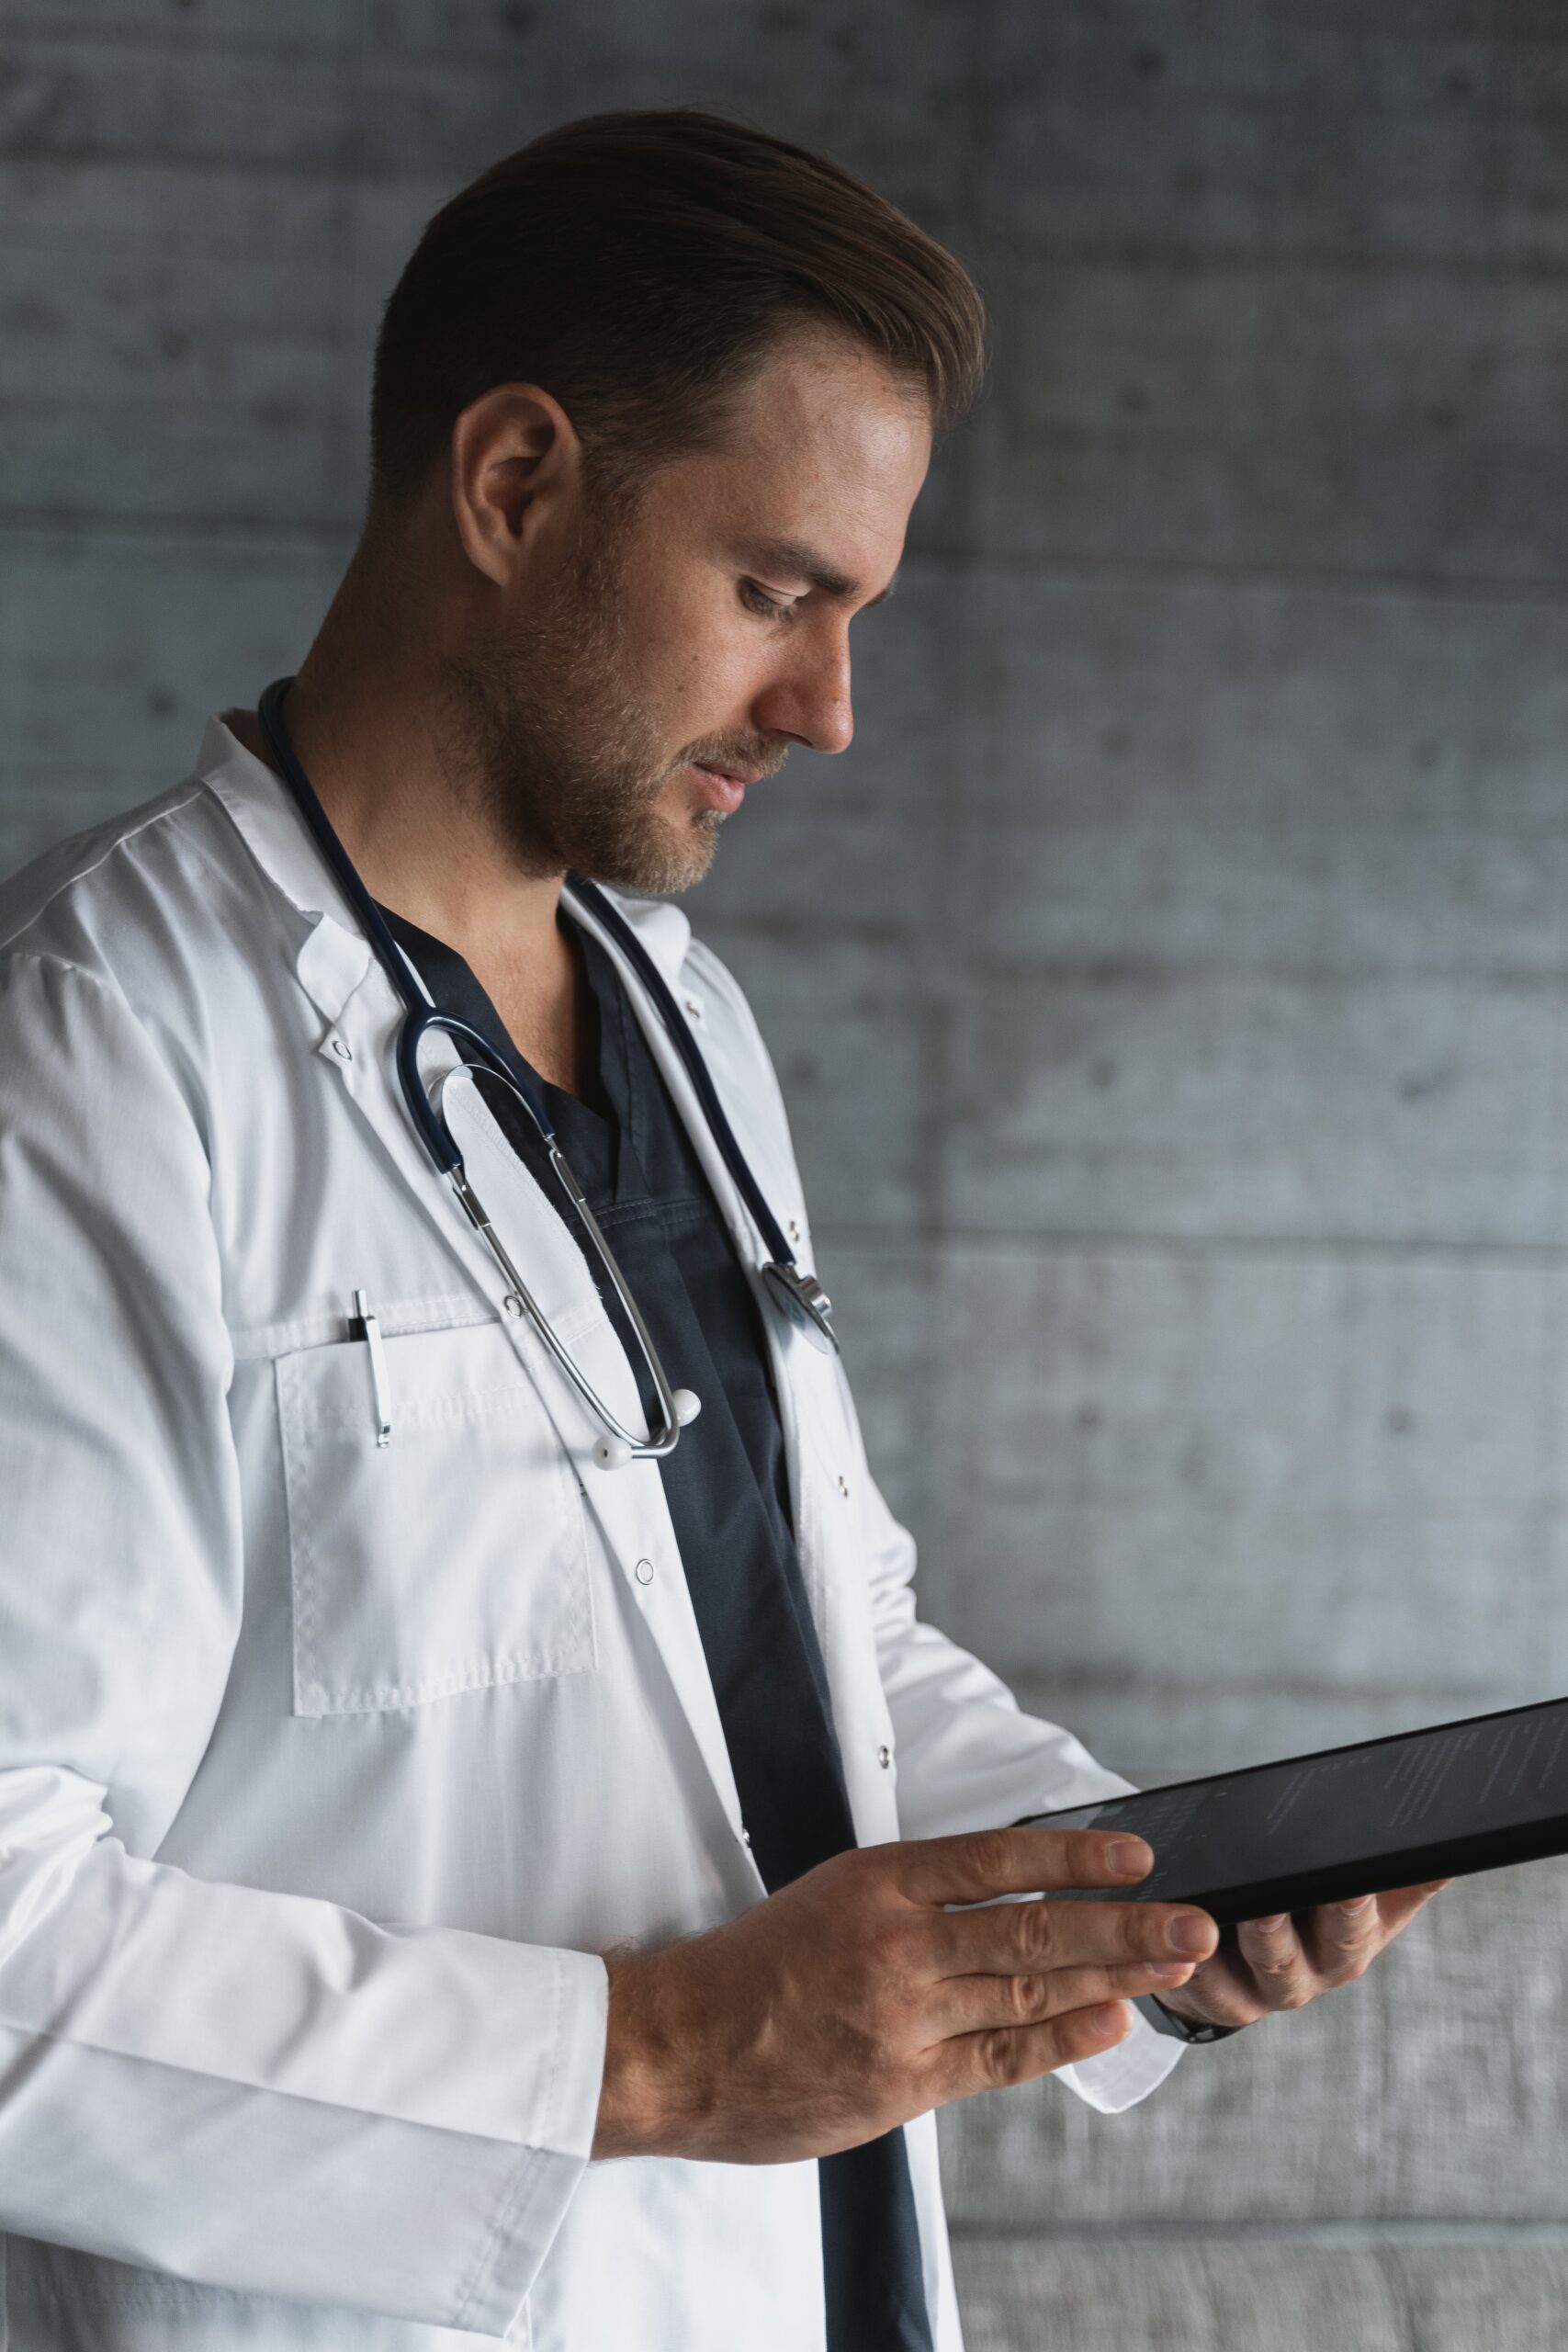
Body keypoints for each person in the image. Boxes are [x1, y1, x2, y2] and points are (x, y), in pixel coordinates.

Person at [0, 111, 1443, 2352]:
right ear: (510, 485)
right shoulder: (100, 1047)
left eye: (854, 612)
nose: (830, 712)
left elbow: (802, 1632)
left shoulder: (677, 1013)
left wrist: (1130, 1887)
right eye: (773, 590)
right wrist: (655, 2056)